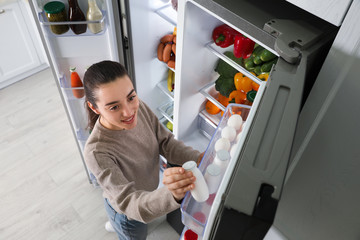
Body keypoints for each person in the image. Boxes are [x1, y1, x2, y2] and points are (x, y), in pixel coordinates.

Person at [83, 60, 203, 240]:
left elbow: (166, 142)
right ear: (94, 107)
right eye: (114, 107)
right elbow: (129, 203)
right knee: (132, 231)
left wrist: (199, 158)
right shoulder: (97, 152)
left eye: (131, 97)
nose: (129, 112)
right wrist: (172, 195)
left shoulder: (138, 109)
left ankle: (113, 221)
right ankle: (116, 222)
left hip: (145, 192)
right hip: (128, 215)